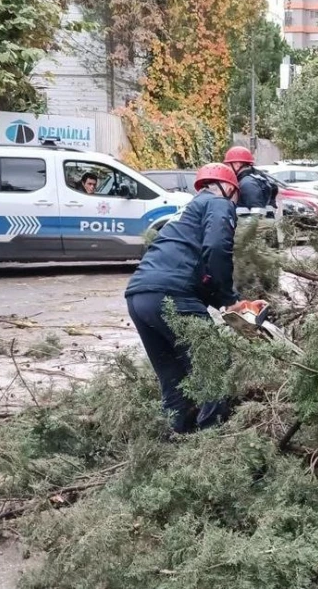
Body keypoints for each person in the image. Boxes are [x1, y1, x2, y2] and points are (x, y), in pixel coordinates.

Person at [124, 163, 263, 435]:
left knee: (172, 378)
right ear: (230, 189)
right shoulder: (220, 203)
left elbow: (193, 267)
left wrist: (226, 304)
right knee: (213, 362)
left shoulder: (185, 212)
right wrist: (229, 298)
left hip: (139, 295)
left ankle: (172, 446)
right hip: (171, 294)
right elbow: (216, 248)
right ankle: (211, 439)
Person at [223, 146, 278, 216]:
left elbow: (256, 214)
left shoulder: (247, 184)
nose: (228, 168)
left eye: (228, 165)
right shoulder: (255, 176)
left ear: (237, 164)